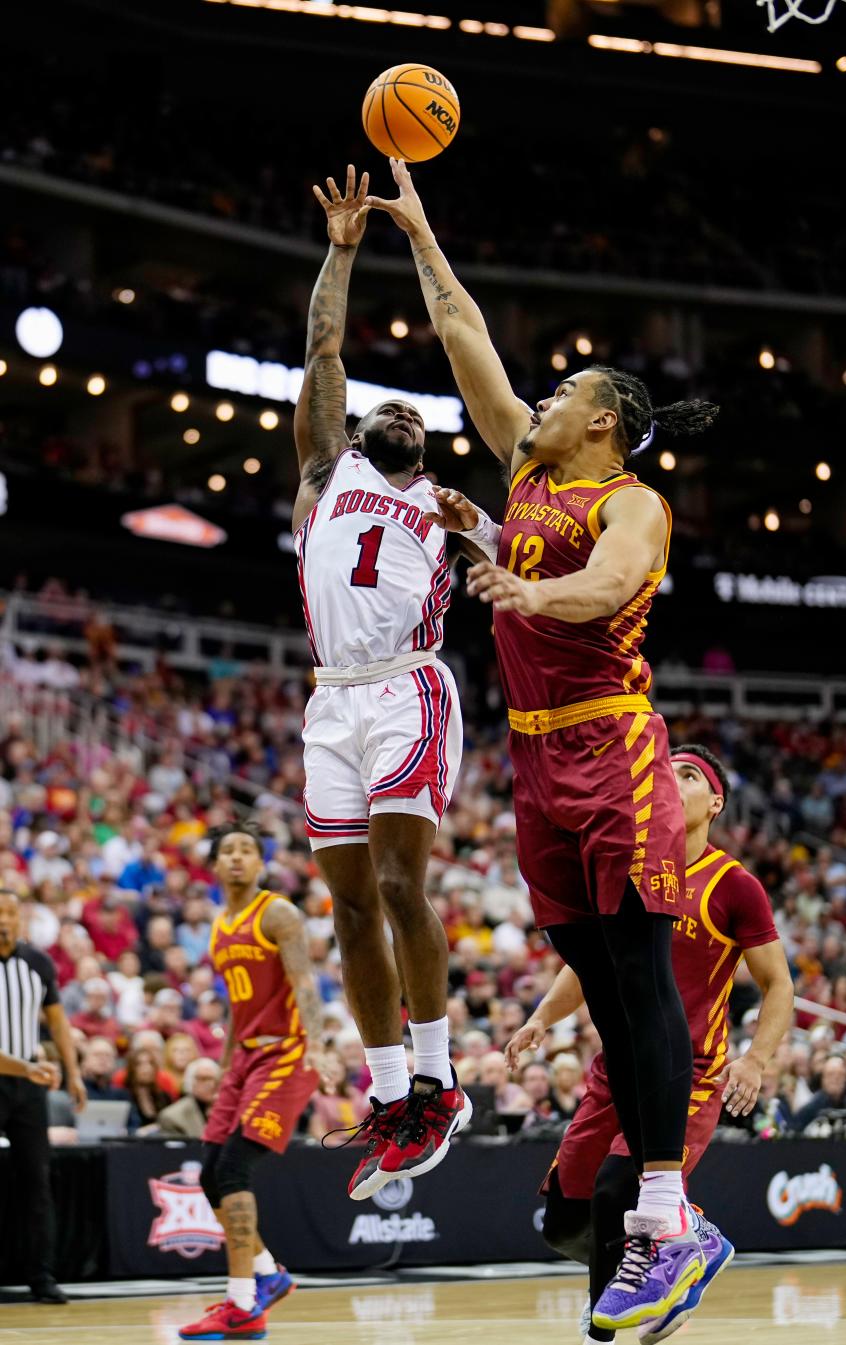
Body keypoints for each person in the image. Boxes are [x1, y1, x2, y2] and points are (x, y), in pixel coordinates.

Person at [369, 159, 720, 1329]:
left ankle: (665, 1220)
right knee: (609, 1003)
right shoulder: (524, 460)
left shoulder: (630, 501)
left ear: (604, 422)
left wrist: (528, 594)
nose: (543, 397)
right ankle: (666, 1221)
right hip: (533, 760)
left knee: (637, 973)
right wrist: (419, 231)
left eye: (565, 388)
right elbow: (463, 327)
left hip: (615, 750)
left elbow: (610, 585)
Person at [289, 165, 469, 1203]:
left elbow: (516, 558)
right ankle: (396, 1091)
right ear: (360, 434)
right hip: (331, 699)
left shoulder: (442, 505)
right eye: (382, 405)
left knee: (402, 885)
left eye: (413, 408)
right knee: (352, 906)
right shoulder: (327, 473)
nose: (394, 408)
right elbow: (323, 347)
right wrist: (345, 246)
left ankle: (442, 1081)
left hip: (408, 687)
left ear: (421, 448)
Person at [504, 747, 794, 1343]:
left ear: (715, 802)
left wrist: (758, 1058)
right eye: (667, 771)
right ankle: (688, 1240)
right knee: (565, 1219)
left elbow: (778, 983)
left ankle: (601, 1328)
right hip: (615, 1070)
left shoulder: (735, 886)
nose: (672, 780)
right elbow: (588, 963)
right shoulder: (629, 868)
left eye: (688, 775)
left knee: (616, 1190)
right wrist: (542, 1018)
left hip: (686, 1074)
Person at [178, 824, 326, 1341]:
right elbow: (241, 1008)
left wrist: (320, 1045)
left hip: (287, 1053)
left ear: (260, 864)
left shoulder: (278, 912)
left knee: (236, 1166)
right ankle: (268, 1273)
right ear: (214, 865)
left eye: (247, 851)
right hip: (243, 1059)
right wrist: (223, 1063)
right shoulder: (219, 927)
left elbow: (305, 981)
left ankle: (243, 1302)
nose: (238, 858)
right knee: (209, 1174)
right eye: (228, 851)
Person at [0, 888, 86, 1303]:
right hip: (24, 1070)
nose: (3, 920)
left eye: (10, 914)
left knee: (37, 1181)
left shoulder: (38, 962)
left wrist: (74, 1074)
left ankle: (41, 1275)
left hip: (29, 1087)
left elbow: (58, 1023)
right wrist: (30, 1068)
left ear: (22, 920)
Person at [156, 1058, 221, 1139]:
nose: (211, 1084)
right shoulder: (173, 1117)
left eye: (215, 1080)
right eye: (203, 1079)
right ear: (190, 1082)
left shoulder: (227, 1111)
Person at [789, 1055, 846, 1131]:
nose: (835, 1079)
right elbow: (793, 1130)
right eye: (830, 1074)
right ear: (823, 1079)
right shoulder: (813, 1106)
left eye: (840, 1075)